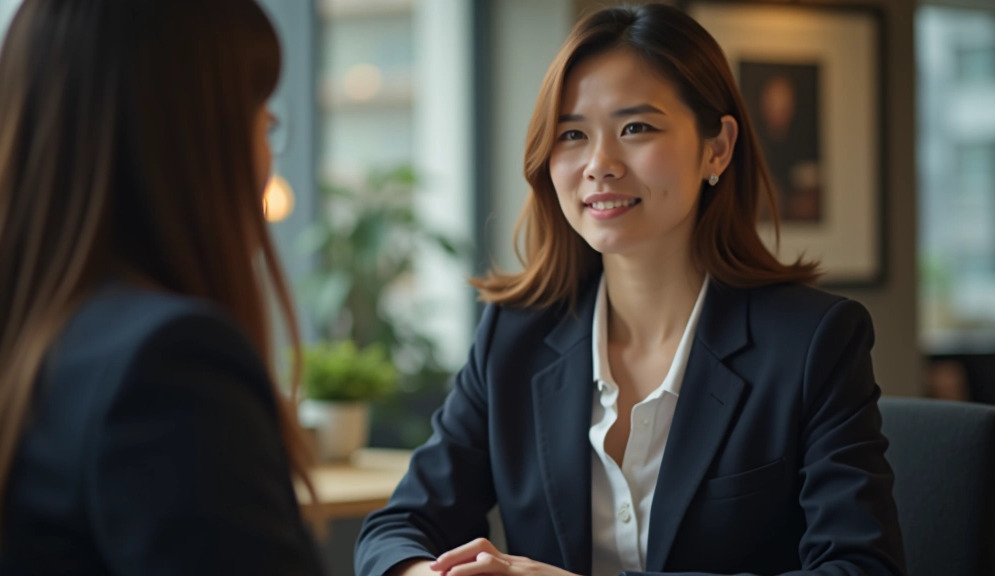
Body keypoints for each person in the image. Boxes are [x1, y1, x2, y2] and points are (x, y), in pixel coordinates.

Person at [355, 4, 905, 576]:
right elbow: (397, 529)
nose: (600, 164)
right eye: (572, 134)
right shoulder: (513, 336)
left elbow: (861, 567)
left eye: (636, 128)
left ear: (716, 147)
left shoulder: (814, 343)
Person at [0, 1, 325, 574]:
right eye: (266, 122)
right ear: (193, 140)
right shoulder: (169, 364)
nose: (267, 159)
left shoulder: (13, 345)